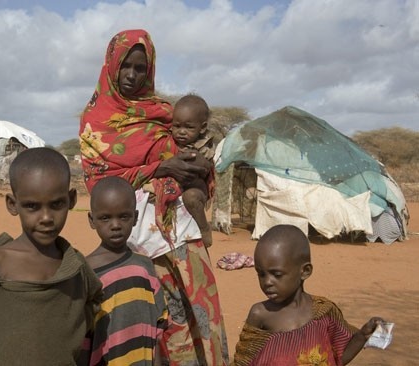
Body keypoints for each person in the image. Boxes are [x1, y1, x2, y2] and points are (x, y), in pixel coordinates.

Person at [80, 29, 229, 366]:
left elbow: (196, 164)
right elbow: (98, 183)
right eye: (126, 67)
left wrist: (191, 171)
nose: (132, 75)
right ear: (111, 66)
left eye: (140, 68)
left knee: (201, 315)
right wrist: (160, 169)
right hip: (136, 238)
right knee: (158, 322)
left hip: (183, 232)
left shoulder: (164, 113)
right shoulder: (95, 121)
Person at [0, 147, 103, 366]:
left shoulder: (74, 265)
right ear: (13, 205)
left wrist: (71, 332)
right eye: (32, 206)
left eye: (56, 204)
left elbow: (95, 299)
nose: (46, 218)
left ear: (71, 200)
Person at [234, 224, 385, 366]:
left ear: (305, 271)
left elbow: (338, 358)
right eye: (261, 274)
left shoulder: (324, 313)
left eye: (277, 274)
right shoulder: (260, 314)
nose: (267, 282)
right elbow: (243, 362)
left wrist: (362, 336)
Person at [80, 176, 167, 366]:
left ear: (135, 218)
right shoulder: (85, 272)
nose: (116, 225)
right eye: (105, 218)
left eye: (124, 216)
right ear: (92, 220)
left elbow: (158, 325)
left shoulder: (145, 266)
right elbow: (81, 338)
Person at [170, 94, 216, 247]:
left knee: (191, 197)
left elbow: (205, 167)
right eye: (177, 126)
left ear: (202, 128)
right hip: (174, 187)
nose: (181, 132)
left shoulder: (205, 143)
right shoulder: (166, 141)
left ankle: (204, 228)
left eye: (189, 127)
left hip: (196, 187)